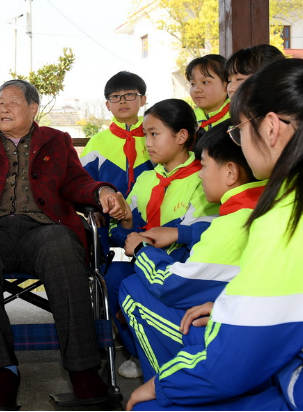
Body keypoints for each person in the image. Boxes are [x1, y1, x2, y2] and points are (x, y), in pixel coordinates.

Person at [0, 79, 126, 409]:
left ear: (33, 109)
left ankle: (82, 369)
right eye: (0, 103)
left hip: (43, 228)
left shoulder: (57, 140)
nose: (3, 108)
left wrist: (101, 191)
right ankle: (2, 370)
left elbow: (76, 182)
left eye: (12, 102)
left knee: (62, 243)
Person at [127, 59, 303, 411]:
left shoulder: (283, 219)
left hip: (290, 384)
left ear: (270, 128)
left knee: (149, 404)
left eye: (240, 130)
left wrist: (161, 386)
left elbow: (231, 365)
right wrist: (229, 309)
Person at [119, 124, 265, 381]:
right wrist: (180, 234)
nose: (200, 175)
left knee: (132, 288)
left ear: (231, 172)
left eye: (204, 166)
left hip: (235, 343)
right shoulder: (268, 206)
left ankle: (165, 385)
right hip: (255, 325)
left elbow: (170, 285)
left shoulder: (229, 227)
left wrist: (141, 249)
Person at [107, 99, 219, 379]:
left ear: (181, 136)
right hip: (142, 257)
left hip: (179, 264)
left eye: (154, 134)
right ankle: (136, 349)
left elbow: (194, 231)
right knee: (113, 277)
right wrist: (126, 220)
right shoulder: (146, 178)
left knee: (140, 285)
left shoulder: (203, 178)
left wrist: (144, 232)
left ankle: (169, 352)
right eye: (145, 135)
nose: (147, 143)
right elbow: (121, 232)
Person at [80, 71, 153, 262]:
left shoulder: (154, 136)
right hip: (107, 215)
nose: (122, 101)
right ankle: (103, 273)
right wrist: (93, 210)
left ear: (143, 99)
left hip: (149, 213)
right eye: (115, 97)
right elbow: (83, 181)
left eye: (129, 94)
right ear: (107, 105)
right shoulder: (97, 143)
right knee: (93, 233)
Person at [185, 54, 230, 132]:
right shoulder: (188, 120)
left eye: (205, 82)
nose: (197, 89)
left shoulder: (239, 117)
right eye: (192, 84)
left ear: (226, 86)